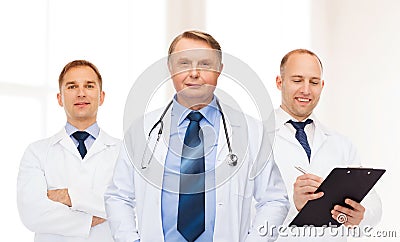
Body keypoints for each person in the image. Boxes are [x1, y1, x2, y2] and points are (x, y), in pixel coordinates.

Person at [104, 30, 289, 242]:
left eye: (205, 64)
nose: (194, 73)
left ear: (219, 70)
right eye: (183, 63)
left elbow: (274, 200)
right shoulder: (142, 130)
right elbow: (118, 197)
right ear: (170, 68)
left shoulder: (251, 131)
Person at [272, 49, 382, 241]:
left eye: (314, 82)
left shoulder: (341, 143)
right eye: (297, 80)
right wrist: (292, 203)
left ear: (322, 86)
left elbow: (373, 203)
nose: (306, 90)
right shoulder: (255, 138)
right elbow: (235, 207)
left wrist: (361, 217)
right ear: (279, 83)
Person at [17, 60, 121, 242]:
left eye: (89, 86)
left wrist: (67, 196)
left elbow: (128, 206)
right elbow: (31, 213)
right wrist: (91, 217)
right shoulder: (36, 153)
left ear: (101, 96)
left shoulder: (123, 153)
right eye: (72, 87)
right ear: (60, 98)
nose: (81, 93)